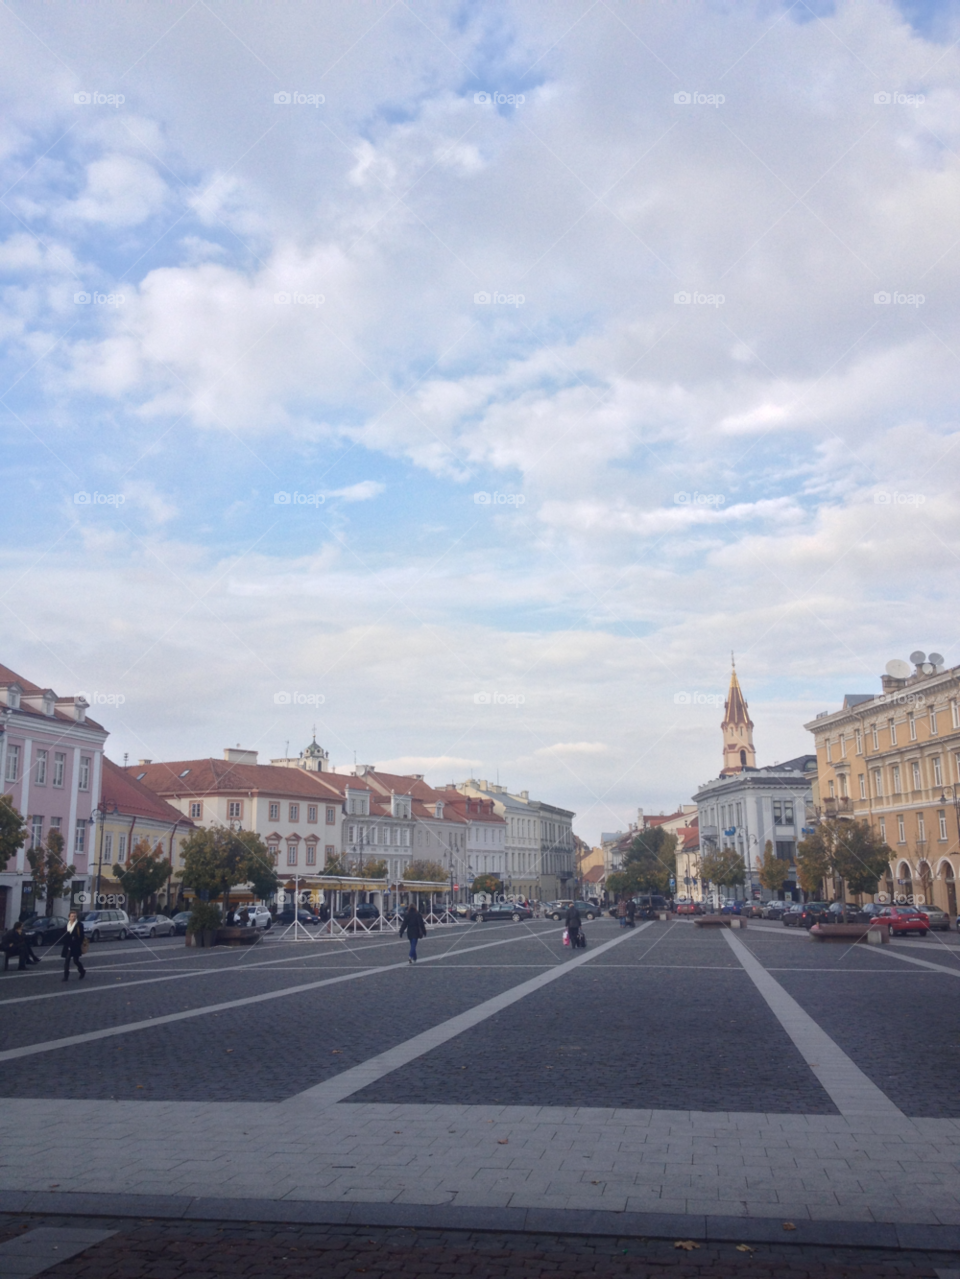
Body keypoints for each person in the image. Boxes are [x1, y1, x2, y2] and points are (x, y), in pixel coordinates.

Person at [60, 911, 86, 982]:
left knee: (76, 961)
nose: (73, 917)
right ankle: (66, 976)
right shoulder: (67, 925)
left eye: (75, 916)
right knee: (67, 960)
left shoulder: (79, 925)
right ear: (69, 917)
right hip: (68, 945)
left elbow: (81, 936)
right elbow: (63, 934)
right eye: (72, 916)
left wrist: (77, 941)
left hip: (75, 945)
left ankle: (82, 971)